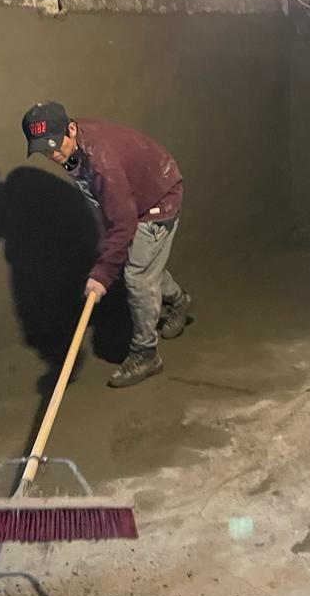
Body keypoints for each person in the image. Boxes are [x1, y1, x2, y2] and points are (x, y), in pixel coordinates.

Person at [22, 101, 193, 387]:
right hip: (130, 192)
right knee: (141, 263)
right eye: (44, 149)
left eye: (54, 145)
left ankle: (146, 354)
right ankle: (178, 301)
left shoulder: (102, 162)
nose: (52, 154)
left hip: (158, 196)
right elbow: (105, 204)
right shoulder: (74, 149)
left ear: (71, 129)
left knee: (137, 277)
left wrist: (102, 275)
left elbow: (124, 223)